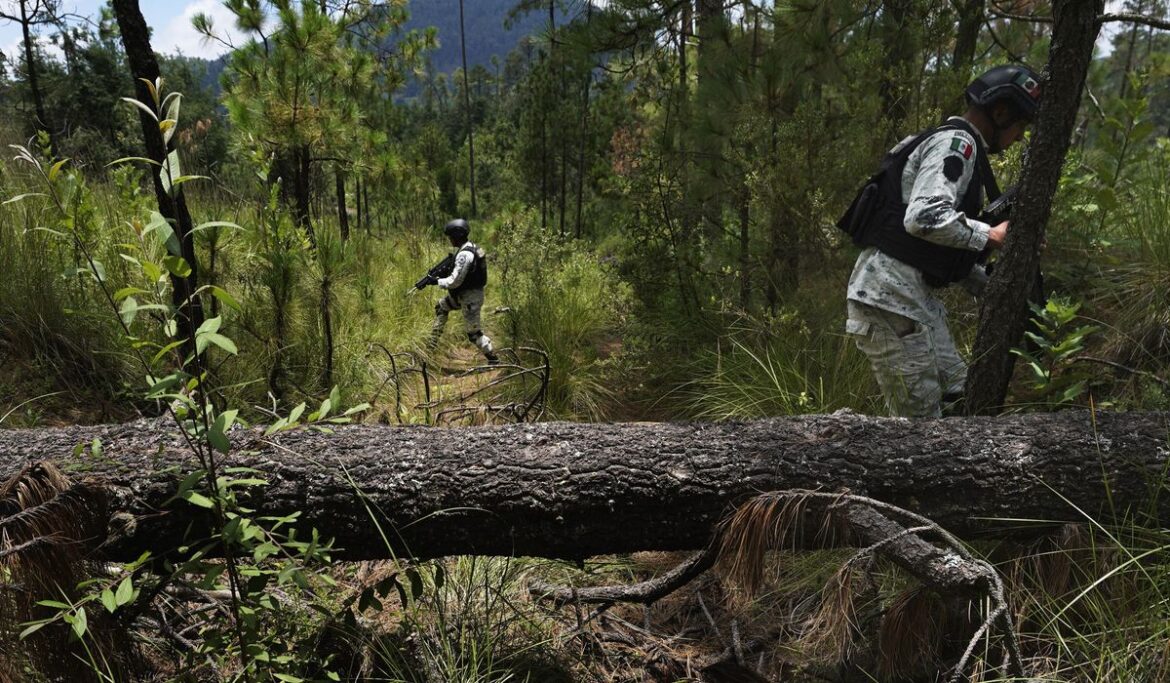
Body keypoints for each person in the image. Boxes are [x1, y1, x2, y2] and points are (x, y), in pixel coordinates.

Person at [844, 64, 1042, 417]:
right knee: (919, 430)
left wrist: (989, 284)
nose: (1021, 136)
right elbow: (923, 218)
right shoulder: (957, 143)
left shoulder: (952, 144)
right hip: (889, 301)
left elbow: (934, 246)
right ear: (1000, 112)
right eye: (1021, 126)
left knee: (960, 396)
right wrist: (992, 235)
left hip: (909, 298)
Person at [427, 218, 499, 364]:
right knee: (441, 307)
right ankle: (431, 345)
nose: (449, 239)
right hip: (463, 296)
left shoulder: (464, 255)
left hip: (469, 299)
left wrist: (436, 281)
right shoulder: (472, 247)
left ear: (457, 235)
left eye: (451, 236)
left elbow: (454, 281)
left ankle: (494, 360)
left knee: (474, 334)